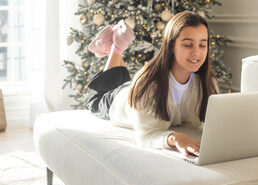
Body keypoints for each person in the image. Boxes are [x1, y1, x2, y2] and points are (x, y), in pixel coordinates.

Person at [87, 11, 220, 157]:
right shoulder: (148, 85)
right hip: (117, 101)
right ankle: (115, 48)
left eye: (202, 45)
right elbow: (146, 136)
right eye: (188, 45)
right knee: (98, 97)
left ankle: (114, 47)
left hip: (133, 89)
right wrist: (173, 138)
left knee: (123, 80)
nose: (197, 52)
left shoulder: (207, 82)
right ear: (171, 46)